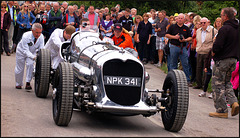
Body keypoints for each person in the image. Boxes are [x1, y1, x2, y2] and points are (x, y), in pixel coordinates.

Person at [209, 7, 239, 118]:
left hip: (223, 59)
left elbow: (218, 45)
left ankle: (221, 110)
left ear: (226, 16)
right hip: (234, 59)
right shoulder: (237, 28)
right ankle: (234, 102)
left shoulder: (225, 29)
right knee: (227, 82)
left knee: (217, 83)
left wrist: (213, 51)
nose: (221, 17)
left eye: (221, 15)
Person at [15, 23, 45, 90]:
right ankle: (18, 84)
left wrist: (40, 56)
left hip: (32, 52)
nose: (38, 34)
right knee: (20, 68)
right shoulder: (26, 36)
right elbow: (25, 50)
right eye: (36, 32)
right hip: (21, 52)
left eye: (40, 32)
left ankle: (28, 82)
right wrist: (33, 57)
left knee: (30, 65)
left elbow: (41, 48)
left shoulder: (41, 37)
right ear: (32, 30)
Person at [165, 13, 192, 86]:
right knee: (173, 63)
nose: (180, 19)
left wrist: (185, 40)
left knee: (185, 63)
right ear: (177, 19)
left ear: (184, 19)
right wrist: (175, 37)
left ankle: (187, 79)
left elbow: (190, 37)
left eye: (181, 18)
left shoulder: (186, 28)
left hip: (183, 47)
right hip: (174, 46)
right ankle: (172, 79)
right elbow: (167, 35)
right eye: (179, 18)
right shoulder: (172, 26)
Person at [194, 17, 218, 89]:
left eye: (204, 23)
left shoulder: (213, 30)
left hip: (208, 52)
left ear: (208, 23)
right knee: (198, 68)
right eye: (201, 23)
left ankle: (205, 85)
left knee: (206, 69)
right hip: (199, 51)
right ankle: (199, 83)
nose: (203, 24)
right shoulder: (198, 31)